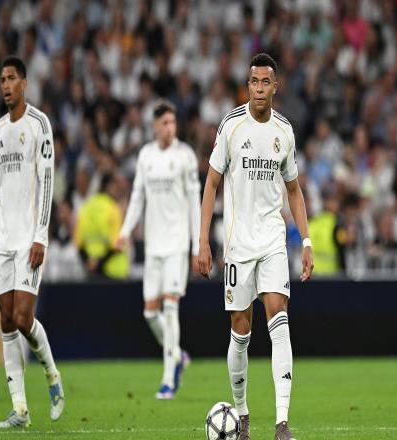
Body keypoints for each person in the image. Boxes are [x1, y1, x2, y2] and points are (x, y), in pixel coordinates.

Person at [198, 53, 314, 440]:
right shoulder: (231, 126)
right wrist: (202, 240)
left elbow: (294, 190)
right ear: (247, 86)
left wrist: (307, 241)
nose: (259, 89)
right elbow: (211, 183)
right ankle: (243, 414)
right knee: (240, 330)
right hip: (238, 245)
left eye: (265, 82)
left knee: (278, 318)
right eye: (253, 82)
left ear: (275, 87)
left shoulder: (284, 131)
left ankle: (282, 423)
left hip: (272, 240)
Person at [0, 56, 64, 428]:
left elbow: (47, 181)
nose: (6, 85)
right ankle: (20, 410)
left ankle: (52, 375)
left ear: (24, 83)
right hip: (2, 242)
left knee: (24, 318)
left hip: (29, 239)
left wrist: (41, 235)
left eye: (11, 78)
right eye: (2, 80)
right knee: (7, 322)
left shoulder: (39, 124)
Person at [116, 99, 201, 400]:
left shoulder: (185, 156)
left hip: (177, 243)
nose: (170, 127)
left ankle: (168, 379)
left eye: (173, 122)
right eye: (164, 123)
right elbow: (137, 197)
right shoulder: (146, 156)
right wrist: (125, 231)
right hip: (153, 246)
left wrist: (197, 245)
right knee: (150, 313)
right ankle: (177, 354)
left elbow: (194, 203)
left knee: (170, 307)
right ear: (154, 126)